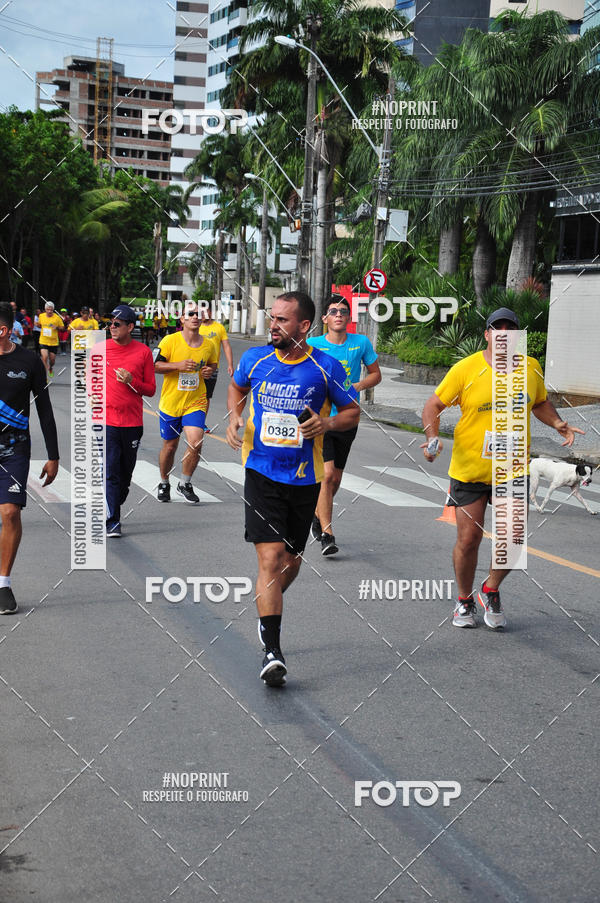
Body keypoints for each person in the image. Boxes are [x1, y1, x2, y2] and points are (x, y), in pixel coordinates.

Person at [226, 291, 359, 687]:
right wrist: (235, 417)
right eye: (273, 318)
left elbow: (352, 412)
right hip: (261, 472)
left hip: (304, 478)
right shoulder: (256, 359)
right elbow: (236, 388)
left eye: (283, 320)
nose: (274, 325)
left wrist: (327, 425)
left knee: (291, 562)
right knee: (269, 560)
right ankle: (272, 650)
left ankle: (267, 603)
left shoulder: (325, 367)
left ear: (304, 326)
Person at [421, 307, 584, 630]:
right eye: (498, 328)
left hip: (512, 468)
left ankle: (490, 588)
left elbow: (538, 402)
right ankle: (464, 599)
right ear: (487, 334)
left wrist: (558, 424)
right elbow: (434, 405)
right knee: (469, 539)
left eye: (511, 329)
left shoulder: (531, 368)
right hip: (470, 468)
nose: (504, 334)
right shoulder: (466, 369)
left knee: (513, 539)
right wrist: (431, 437)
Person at [307, 294, 381, 555]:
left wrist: (358, 386)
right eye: (333, 311)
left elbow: (376, 374)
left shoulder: (360, 342)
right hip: (322, 418)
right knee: (326, 476)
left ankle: (317, 515)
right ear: (325, 319)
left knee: (335, 479)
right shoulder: (312, 344)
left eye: (343, 311)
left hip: (348, 417)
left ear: (348, 318)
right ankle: (327, 533)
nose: (339, 314)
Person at [0, 302, 59, 614]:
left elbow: (45, 408)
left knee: (10, 513)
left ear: (4, 330)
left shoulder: (29, 361)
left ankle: (3, 584)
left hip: (14, 448)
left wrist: (54, 456)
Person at [154, 301, 218, 503]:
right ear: (182, 319)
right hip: (171, 402)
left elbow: (213, 364)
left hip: (195, 401)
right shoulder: (170, 340)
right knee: (170, 447)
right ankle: (164, 483)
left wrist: (209, 371)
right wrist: (177, 365)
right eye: (191, 313)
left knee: (196, 441)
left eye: (199, 314)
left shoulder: (209, 344)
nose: (196, 317)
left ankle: (185, 483)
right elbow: (155, 365)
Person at [101, 304, 156, 537]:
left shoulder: (143, 352)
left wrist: (132, 380)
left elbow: (151, 390)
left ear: (130, 327)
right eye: (110, 323)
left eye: (117, 324)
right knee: (111, 470)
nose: (112, 327)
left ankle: (118, 495)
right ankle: (113, 519)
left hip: (132, 423)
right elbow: (88, 377)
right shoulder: (100, 349)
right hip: (107, 421)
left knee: (125, 472)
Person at [199, 304, 234, 418]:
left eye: (205, 311)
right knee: (192, 394)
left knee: (206, 395)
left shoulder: (219, 328)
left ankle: (201, 422)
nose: (203, 314)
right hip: (196, 366)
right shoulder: (196, 326)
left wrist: (230, 364)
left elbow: (227, 346)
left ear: (211, 312)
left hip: (212, 367)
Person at [38, 302, 64, 377]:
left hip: (53, 342)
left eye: (51, 310)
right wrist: (37, 324)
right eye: (48, 309)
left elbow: (62, 328)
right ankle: (44, 376)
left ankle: (50, 367)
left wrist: (57, 327)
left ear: (53, 309)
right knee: (44, 357)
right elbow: (39, 324)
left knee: (52, 360)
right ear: (45, 309)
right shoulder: (41, 316)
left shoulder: (57, 317)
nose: (49, 311)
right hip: (43, 340)